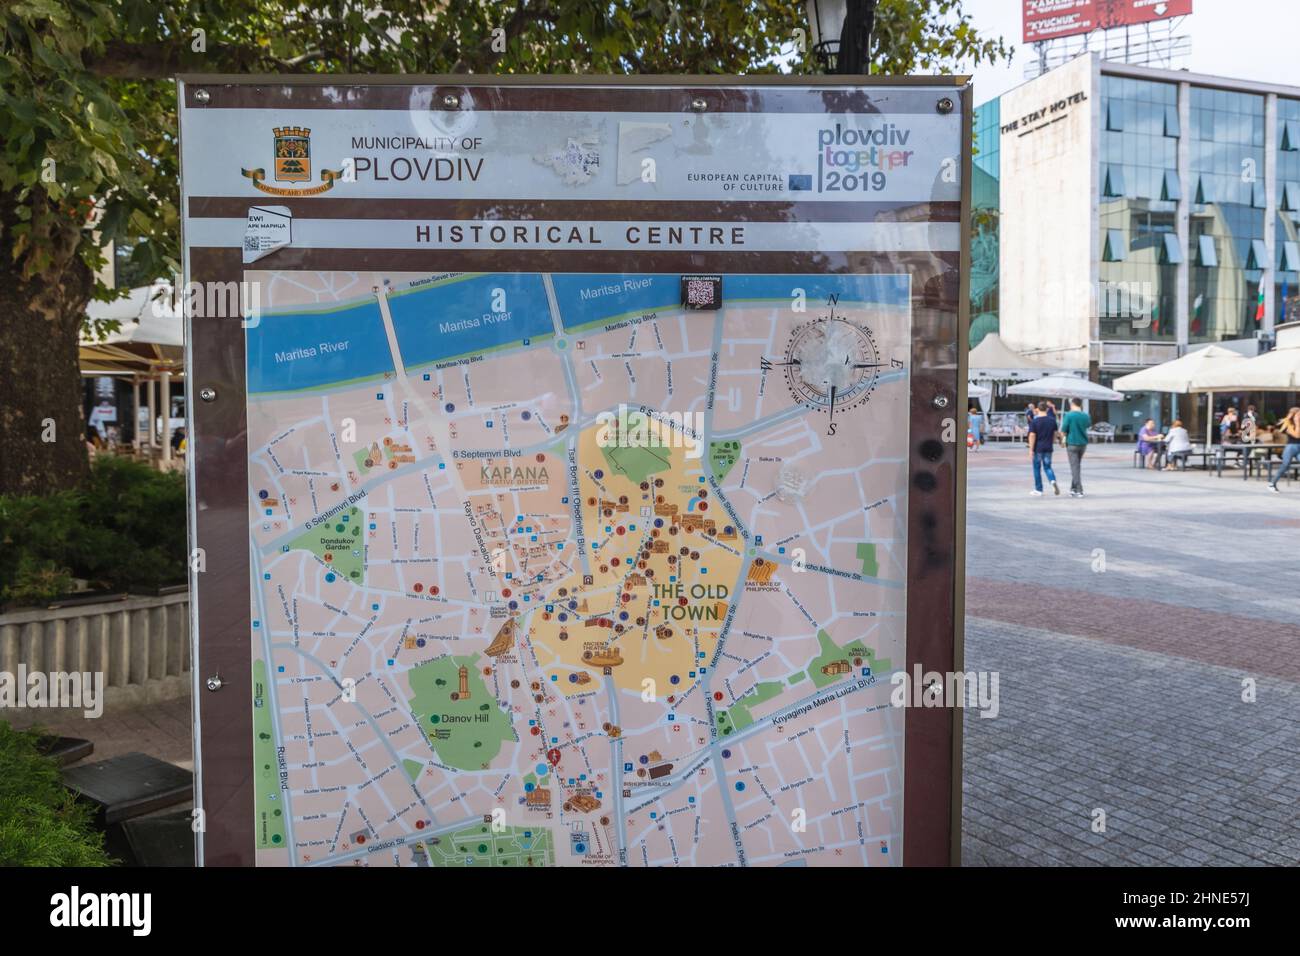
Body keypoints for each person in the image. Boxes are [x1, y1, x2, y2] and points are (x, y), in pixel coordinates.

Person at [1027, 402, 1060, 496]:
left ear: (1038, 409)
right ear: (1047, 409)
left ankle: (1038, 489)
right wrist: (1053, 441)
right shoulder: (1052, 420)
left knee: (1037, 468)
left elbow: (1032, 435)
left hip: (1038, 448)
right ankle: (1052, 480)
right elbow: (1055, 433)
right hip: (1048, 447)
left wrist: (1031, 449)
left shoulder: (1035, 421)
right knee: (1048, 467)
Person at [1060, 398, 1090, 497]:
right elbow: (1088, 425)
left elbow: (1063, 430)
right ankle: (1073, 489)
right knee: (1076, 466)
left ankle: (1079, 490)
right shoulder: (1086, 416)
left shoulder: (1069, 415)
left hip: (1072, 443)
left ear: (1072, 404)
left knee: (1074, 467)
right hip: (1083, 443)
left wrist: (1062, 440)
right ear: (1080, 404)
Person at [1268, 407, 1300, 492]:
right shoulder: (1288, 424)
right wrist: (1297, 423)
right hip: (1291, 447)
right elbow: (1297, 435)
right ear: (1293, 415)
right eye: (1298, 414)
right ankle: (1272, 484)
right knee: (1285, 465)